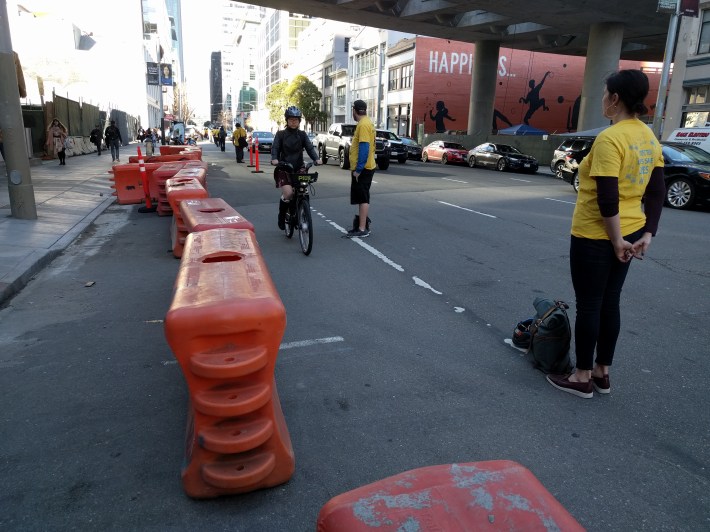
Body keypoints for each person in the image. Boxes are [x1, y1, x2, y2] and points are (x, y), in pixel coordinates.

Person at [546, 69, 666, 399]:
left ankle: (581, 376)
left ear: (615, 99)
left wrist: (616, 242)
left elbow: (606, 198)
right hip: (633, 228)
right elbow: (657, 192)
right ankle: (602, 372)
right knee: (609, 301)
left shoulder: (610, 139)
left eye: (604, 94)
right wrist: (647, 234)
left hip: (595, 236)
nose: (602, 99)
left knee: (589, 304)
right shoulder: (647, 136)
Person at [270, 106, 320, 230]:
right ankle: (281, 216)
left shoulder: (302, 135)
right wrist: (275, 159)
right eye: (291, 119)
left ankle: (303, 213)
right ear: (287, 120)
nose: (293, 122)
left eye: (296, 119)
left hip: (299, 168)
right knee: (288, 193)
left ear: (299, 121)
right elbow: (275, 148)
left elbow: (309, 148)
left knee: (304, 190)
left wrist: (316, 159)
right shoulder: (281, 134)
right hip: (284, 167)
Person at [346, 99, 376, 238]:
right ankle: (361, 224)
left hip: (364, 169)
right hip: (366, 167)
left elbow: (364, 148)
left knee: (363, 198)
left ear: (355, 110)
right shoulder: (366, 122)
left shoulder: (363, 125)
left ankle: (363, 228)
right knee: (361, 197)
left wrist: (358, 169)